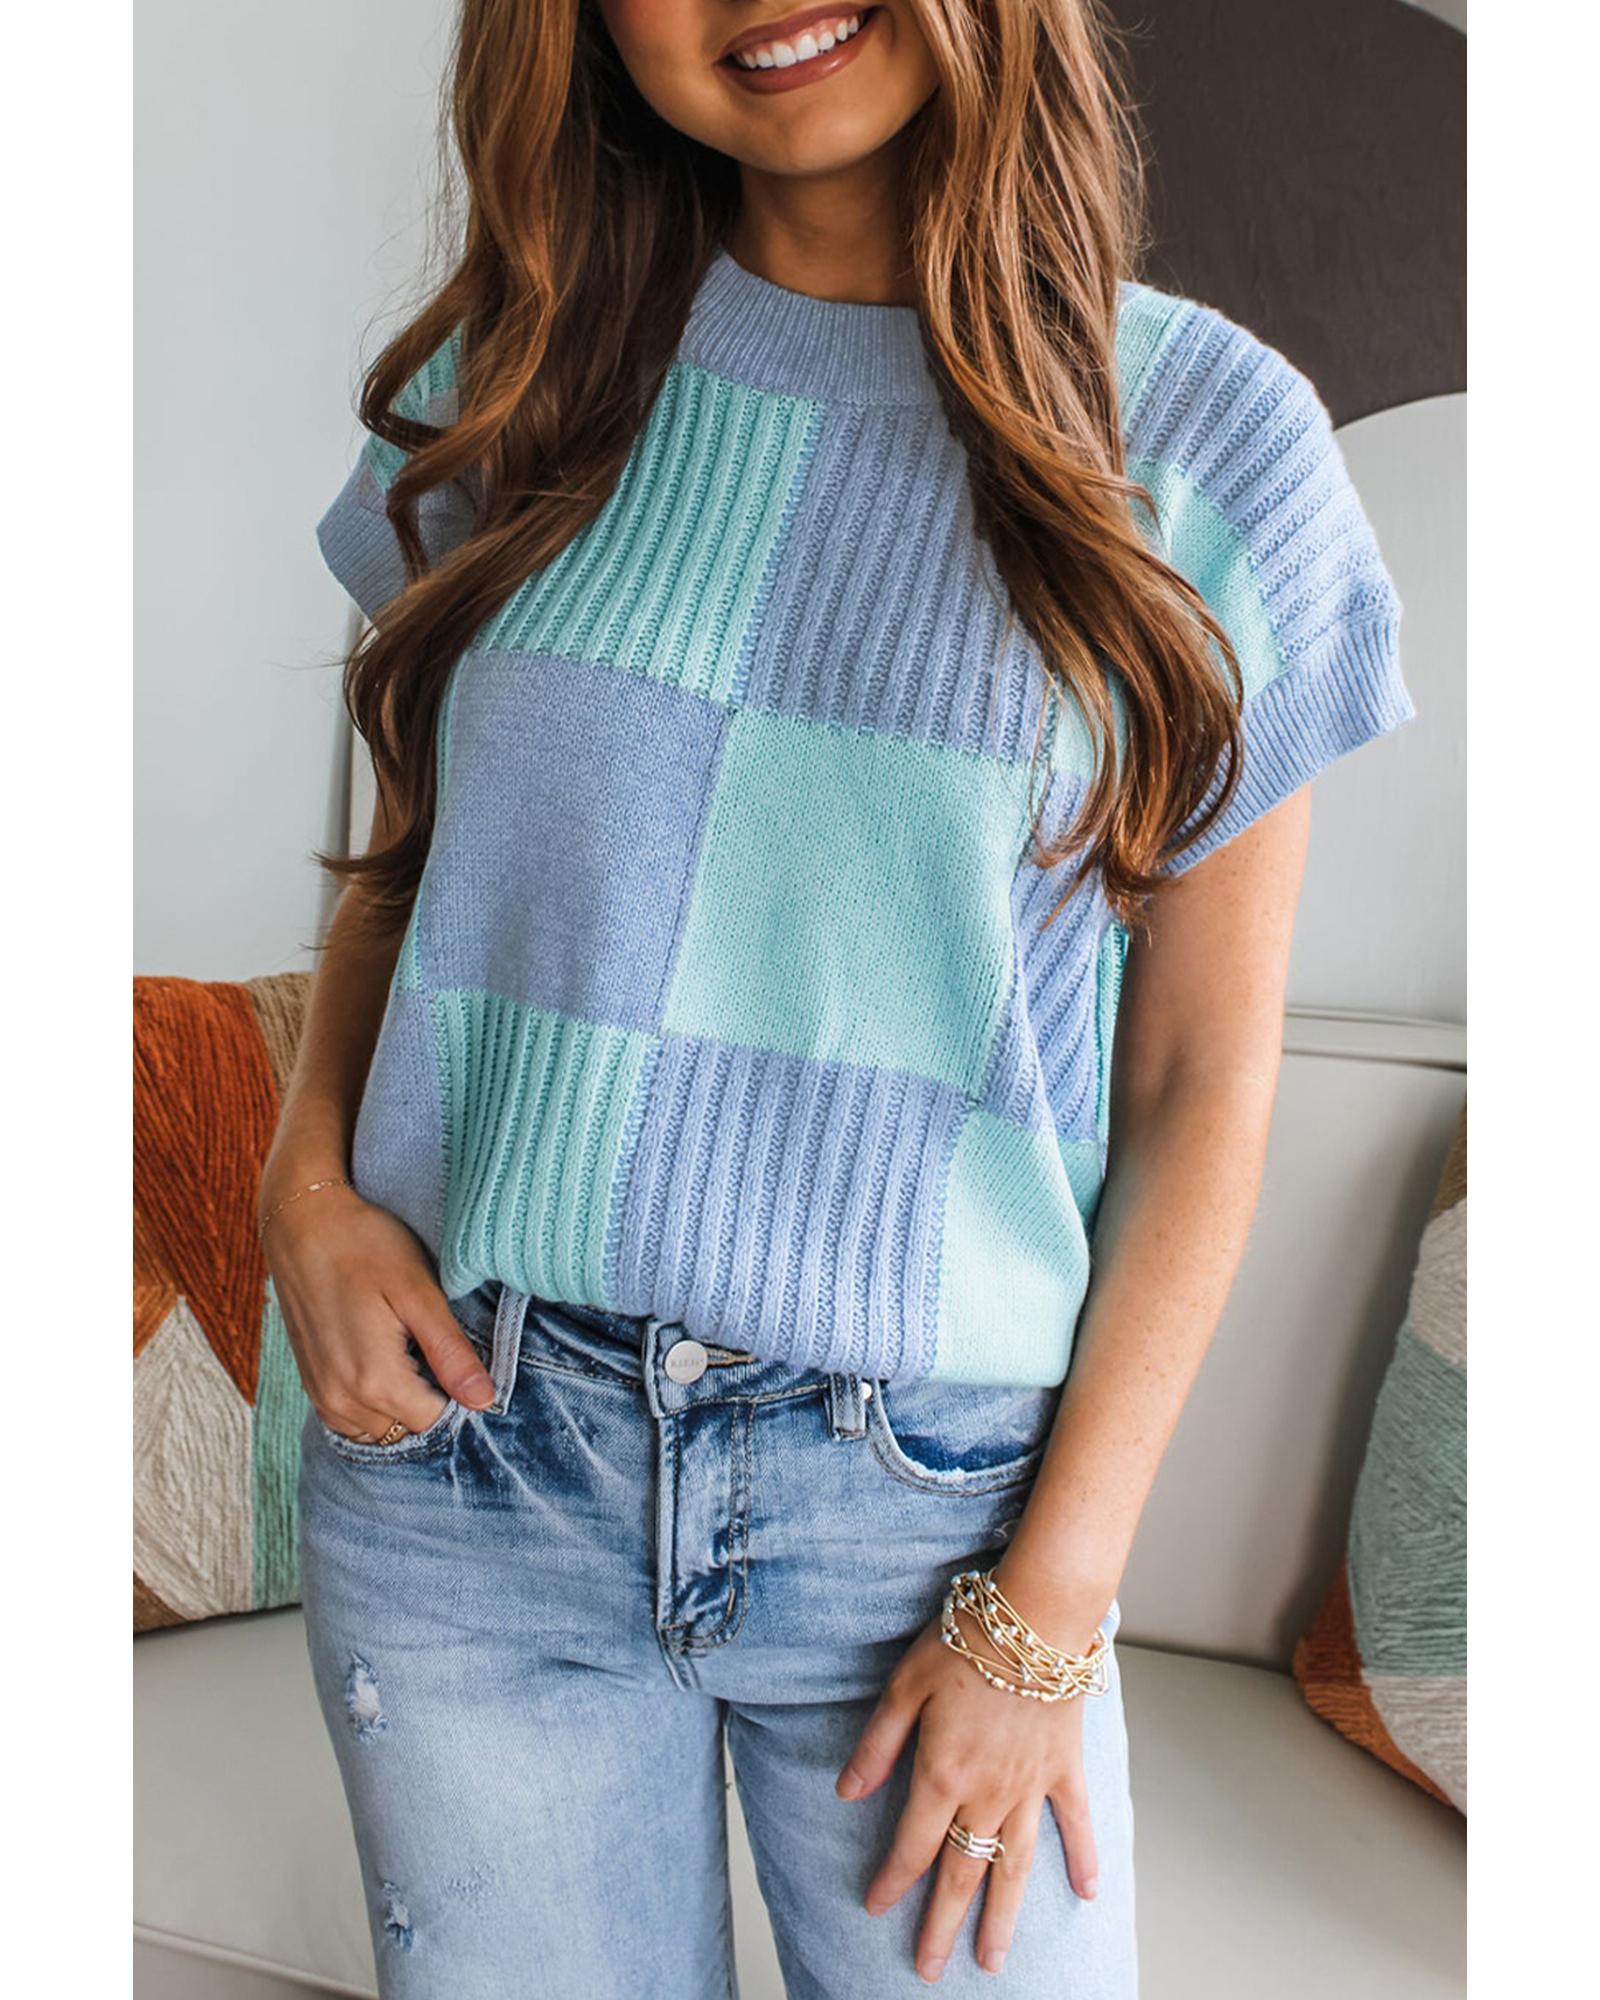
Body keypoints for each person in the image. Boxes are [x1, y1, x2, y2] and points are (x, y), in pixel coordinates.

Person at [259, 3, 1416, 1993]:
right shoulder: (516, 377)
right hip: (470, 1466)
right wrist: (300, 1185)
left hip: (932, 1525)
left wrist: (1047, 1610)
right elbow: (407, 867)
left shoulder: (1207, 440)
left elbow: (1197, 1092)